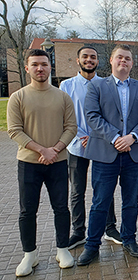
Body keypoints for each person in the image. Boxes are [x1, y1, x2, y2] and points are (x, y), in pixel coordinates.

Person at [77, 45, 138, 265]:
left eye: (128, 58)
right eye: (119, 57)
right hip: (105, 154)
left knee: (131, 201)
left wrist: (132, 137)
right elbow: (92, 116)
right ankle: (92, 245)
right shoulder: (97, 86)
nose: (124, 61)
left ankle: (129, 239)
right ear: (111, 60)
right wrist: (115, 138)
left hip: (135, 154)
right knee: (100, 202)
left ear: (132, 63)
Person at [7, 49, 77, 276]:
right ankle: (30, 254)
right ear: (27, 68)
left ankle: (62, 249)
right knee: (27, 210)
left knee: (61, 207)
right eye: (35, 64)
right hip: (29, 163)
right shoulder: (18, 97)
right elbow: (14, 130)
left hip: (58, 161)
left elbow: (71, 128)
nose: (40, 68)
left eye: (44, 64)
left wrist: (54, 150)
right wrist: (41, 150)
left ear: (50, 67)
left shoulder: (62, 97)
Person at [60, 46, 122, 249]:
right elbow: (64, 117)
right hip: (76, 146)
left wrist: (96, 136)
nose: (89, 60)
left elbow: (109, 115)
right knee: (77, 190)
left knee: (104, 188)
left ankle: (110, 228)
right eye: (85, 57)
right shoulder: (66, 86)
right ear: (78, 60)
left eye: (93, 57)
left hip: (102, 144)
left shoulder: (106, 84)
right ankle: (78, 231)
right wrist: (81, 136)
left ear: (98, 61)